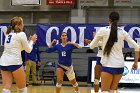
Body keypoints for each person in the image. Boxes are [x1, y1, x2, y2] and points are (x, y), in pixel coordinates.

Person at [89, 12, 139, 93]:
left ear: (109, 20)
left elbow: (91, 46)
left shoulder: (103, 30)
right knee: (112, 91)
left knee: (105, 91)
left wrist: (97, 39)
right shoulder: (122, 31)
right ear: (118, 20)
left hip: (108, 65)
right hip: (120, 66)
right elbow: (137, 47)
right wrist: (135, 62)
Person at [0, 16, 37, 93]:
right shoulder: (22, 34)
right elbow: (29, 50)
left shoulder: (8, 34)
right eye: (22, 23)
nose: (23, 25)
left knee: (6, 88)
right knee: (22, 88)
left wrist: (28, 42)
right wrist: (32, 41)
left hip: (4, 62)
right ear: (19, 25)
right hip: (15, 62)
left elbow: (18, 48)